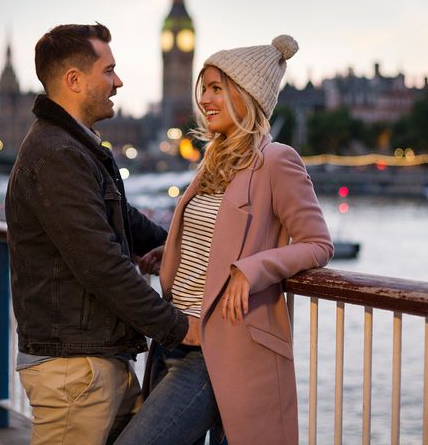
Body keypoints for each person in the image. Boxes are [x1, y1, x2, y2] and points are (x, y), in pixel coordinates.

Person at [115, 35, 334, 445]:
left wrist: (250, 271)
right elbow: (216, 236)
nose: (205, 99)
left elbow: (318, 243)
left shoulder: (276, 160)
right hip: (174, 336)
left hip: (217, 350)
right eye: (205, 88)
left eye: (217, 88)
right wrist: (174, 255)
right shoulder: (214, 159)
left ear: (246, 95)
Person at [5, 23, 196, 445]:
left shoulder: (74, 146)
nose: (118, 81)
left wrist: (176, 245)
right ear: (74, 80)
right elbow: (102, 264)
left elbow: (120, 218)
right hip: (74, 370)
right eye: (108, 71)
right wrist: (180, 328)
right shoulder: (58, 154)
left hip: (95, 358)